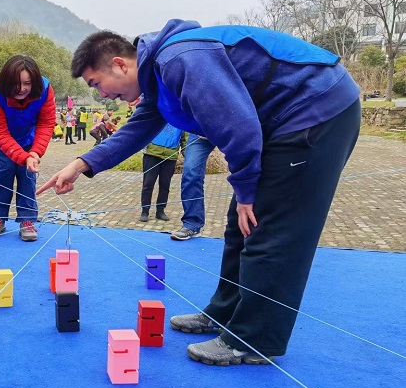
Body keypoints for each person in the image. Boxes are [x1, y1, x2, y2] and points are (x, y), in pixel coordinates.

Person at [39, 20, 361, 366]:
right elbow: (138, 129)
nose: (100, 94)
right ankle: (224, 314)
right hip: (284, 122)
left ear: (120, 64)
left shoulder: (181, 58)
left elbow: (239, 127)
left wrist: (247, 191)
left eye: (96, 83)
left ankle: (252, 340)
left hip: (316, 113)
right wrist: (81, 164)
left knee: (270, 229)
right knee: (241, 225)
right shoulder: (158, 75)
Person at [0, 55, 56, 242]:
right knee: (4, 170)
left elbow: (46, 123)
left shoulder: (45, 89)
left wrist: (35, 153)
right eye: (16, 83)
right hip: (0, 134)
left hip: (28, 133)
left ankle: (27, 219)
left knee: (28, 173)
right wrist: (21, 156)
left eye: (27, 83)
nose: (22, 89)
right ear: (7, 81)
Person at [171, 134, 217, 240]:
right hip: (200, 131)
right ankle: (192, 224)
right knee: (190, 171)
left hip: (233, 125)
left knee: (246, 169)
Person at [139, 123, 185, 222]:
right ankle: (145, 211)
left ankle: (160, 211)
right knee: (148, 184)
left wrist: (188, 157)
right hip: (152, 154)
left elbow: (184, 139)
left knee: (165, 185)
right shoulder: (159, 112)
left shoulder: (181, 118)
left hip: (170, 157)